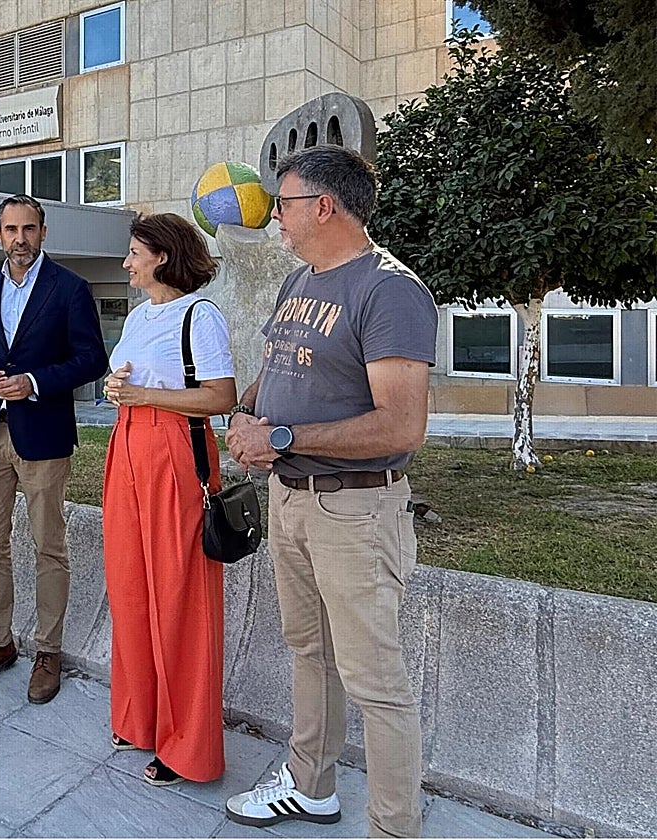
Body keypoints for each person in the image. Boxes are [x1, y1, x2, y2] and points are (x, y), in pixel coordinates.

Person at [223, 145, 438, 837]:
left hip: (355, 509)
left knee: (377, 683)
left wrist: (281, 439)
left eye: (282, 203)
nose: (272, 216)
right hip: (290, 502)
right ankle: (311, 787)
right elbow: (276, 368)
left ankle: (393, 828)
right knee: (309, 653)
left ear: (324, 206)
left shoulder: (389, 289)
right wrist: (247, 415)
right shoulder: (301, 283)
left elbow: (400, 424)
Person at [0, 194, 108, 704]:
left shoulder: (70, 289)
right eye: (10, 230)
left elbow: (92, 360)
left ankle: (49, 650)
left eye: (29, 229)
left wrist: (36, 382)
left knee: (48, 545)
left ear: (44, 232)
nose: (19, 238)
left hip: (42, 435)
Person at [101, 213, 237, 787]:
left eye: (135, 252)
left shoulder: (199, 316)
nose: (127, 262)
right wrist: (118, 392)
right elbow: (128, 381)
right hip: (126, 447)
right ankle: (140, 717)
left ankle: (189, 744)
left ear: (161, 256)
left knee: (181, 596)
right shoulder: (137, 316)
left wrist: (141, 393)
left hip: (175, 454)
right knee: (129, 585)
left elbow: (219, 397)